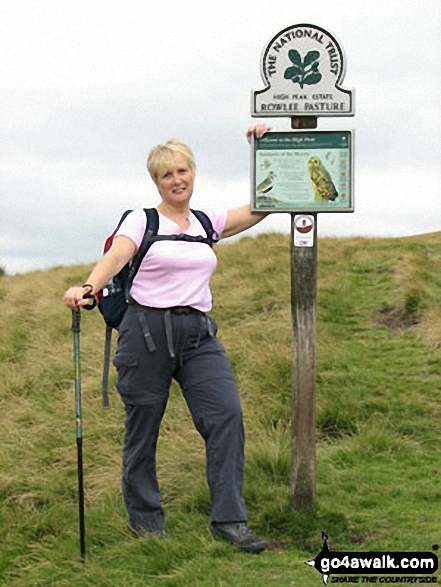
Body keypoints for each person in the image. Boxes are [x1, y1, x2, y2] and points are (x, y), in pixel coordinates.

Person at [63, 124, 270, 554]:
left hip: (198, 335)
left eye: (182, 171)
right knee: (143, 430)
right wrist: (89, 287)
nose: (176, 180)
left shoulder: (204, 221)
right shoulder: (143, 220)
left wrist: (262, 152)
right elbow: (117, 255)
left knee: (226, 416)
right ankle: (147, 525)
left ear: (193, 172)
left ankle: (230, 521)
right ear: (156, 182)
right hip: (145, 335)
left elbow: (262, 206)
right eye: (166, 175)